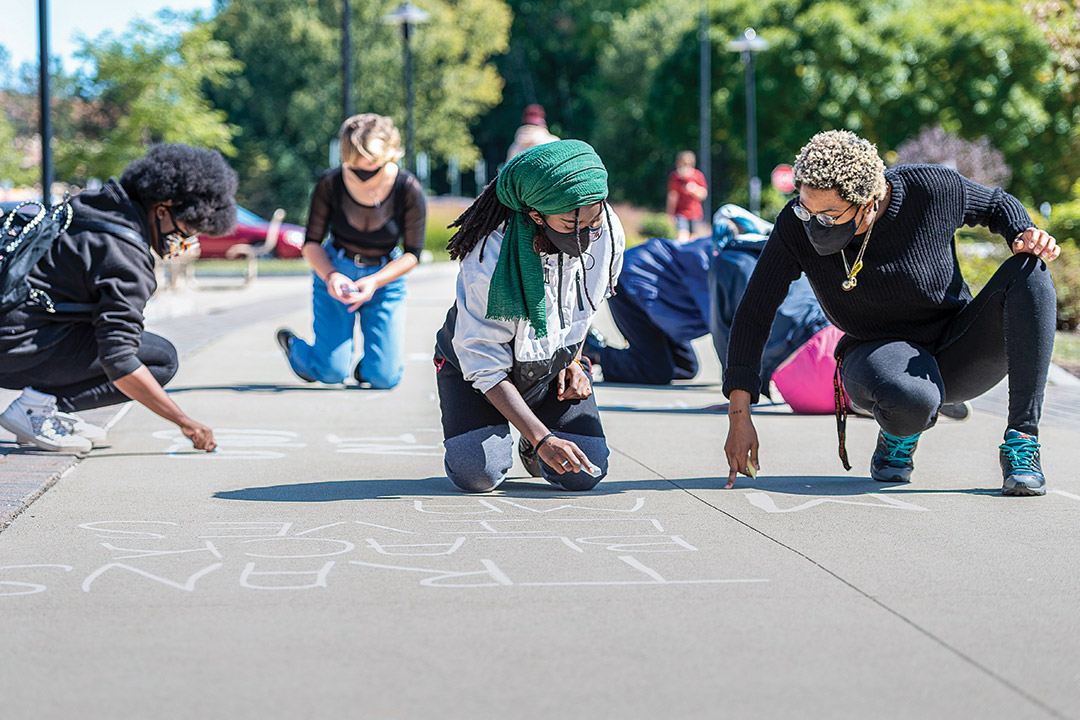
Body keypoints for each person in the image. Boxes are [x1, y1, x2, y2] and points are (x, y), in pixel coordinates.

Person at [723, 130, 1060, 496]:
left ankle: (1022, 440)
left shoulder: (931, 189)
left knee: (1030, 270)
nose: (814, 223)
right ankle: (899, 432)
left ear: (869, 201)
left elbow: (996, 203)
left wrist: (1023, 233)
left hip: (956, 346)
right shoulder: (795, 226)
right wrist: (740, 416)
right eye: (807, 209)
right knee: (911, 400)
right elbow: (755, 310)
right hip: (875, 355)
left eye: (829, 214)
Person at [0, 144, 236, 453]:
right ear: (162, 210)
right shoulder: (126, 258)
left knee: (141, 346)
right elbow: (119, 359)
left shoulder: (92, 205)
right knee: (161, 359)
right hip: (15, 348)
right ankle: (34, 411)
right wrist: (185, 422)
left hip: (17, 333)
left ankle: (41, 410)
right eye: (185, 232)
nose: (184, 244)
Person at [433, 139, 625, 493]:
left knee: (584, 473)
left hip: (548, 368)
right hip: (477, 375)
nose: (585, 235)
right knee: (478, 475)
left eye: (593, 219)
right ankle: (517, 431)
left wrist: (575, 362)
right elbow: (483, 362)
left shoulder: (607, 231)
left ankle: (531, 436)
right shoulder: (488, 257)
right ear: (537, 215)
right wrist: (542, 439)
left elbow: (586, 304)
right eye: (570, 224)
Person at [584, 205, 834, 403]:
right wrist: (743, 383)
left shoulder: (743, 253)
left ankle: (624, 354)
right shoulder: (719, 260)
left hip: (663, 301)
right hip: (631, 281)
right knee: (655, 370)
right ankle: (592, 351)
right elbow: (725, 329)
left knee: (686, 367)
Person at [276, 114, 426, 389]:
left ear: (389, 154)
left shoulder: (407, 187)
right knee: (331, 373)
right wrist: (331, 276)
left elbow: (412, 254)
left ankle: (369, 364)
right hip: (336, 270)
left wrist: (375, 281)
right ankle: (298, 349)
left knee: (385, 378)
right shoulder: (330, 183)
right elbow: (311, 243)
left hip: (385, 279)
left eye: (372, 164)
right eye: (355, 165)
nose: (364, 171)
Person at [667, 151, 708, 240]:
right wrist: (670, 214)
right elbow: (672, 196)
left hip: (695, 214)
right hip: (681, 213)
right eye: (679, 164)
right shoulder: (675, 177)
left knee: (694, 239)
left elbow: (703, 194)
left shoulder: (697, 175)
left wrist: (694, 189)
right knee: (682, 238)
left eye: (684, 165)